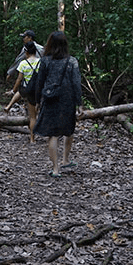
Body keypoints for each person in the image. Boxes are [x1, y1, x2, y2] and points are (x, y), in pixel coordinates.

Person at [33, 31, 83, 177]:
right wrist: (79, 104)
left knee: (52, 135)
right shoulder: (72, 61)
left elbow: (39, 82)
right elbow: (76, 83)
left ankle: (55, 169)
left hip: (50, 99)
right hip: (68, 100)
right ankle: (65, 160)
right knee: (69, 130)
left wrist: (37, 101)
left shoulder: (45, 61)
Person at [3, 41, 40, 142]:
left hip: (29, 91)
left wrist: (13, 90)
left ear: (26, 53)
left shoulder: (23, 63)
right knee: (40, 114)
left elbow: (19, 79)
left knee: (32, 117)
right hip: (40, 91)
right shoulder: (41, 62)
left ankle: (32, 138)